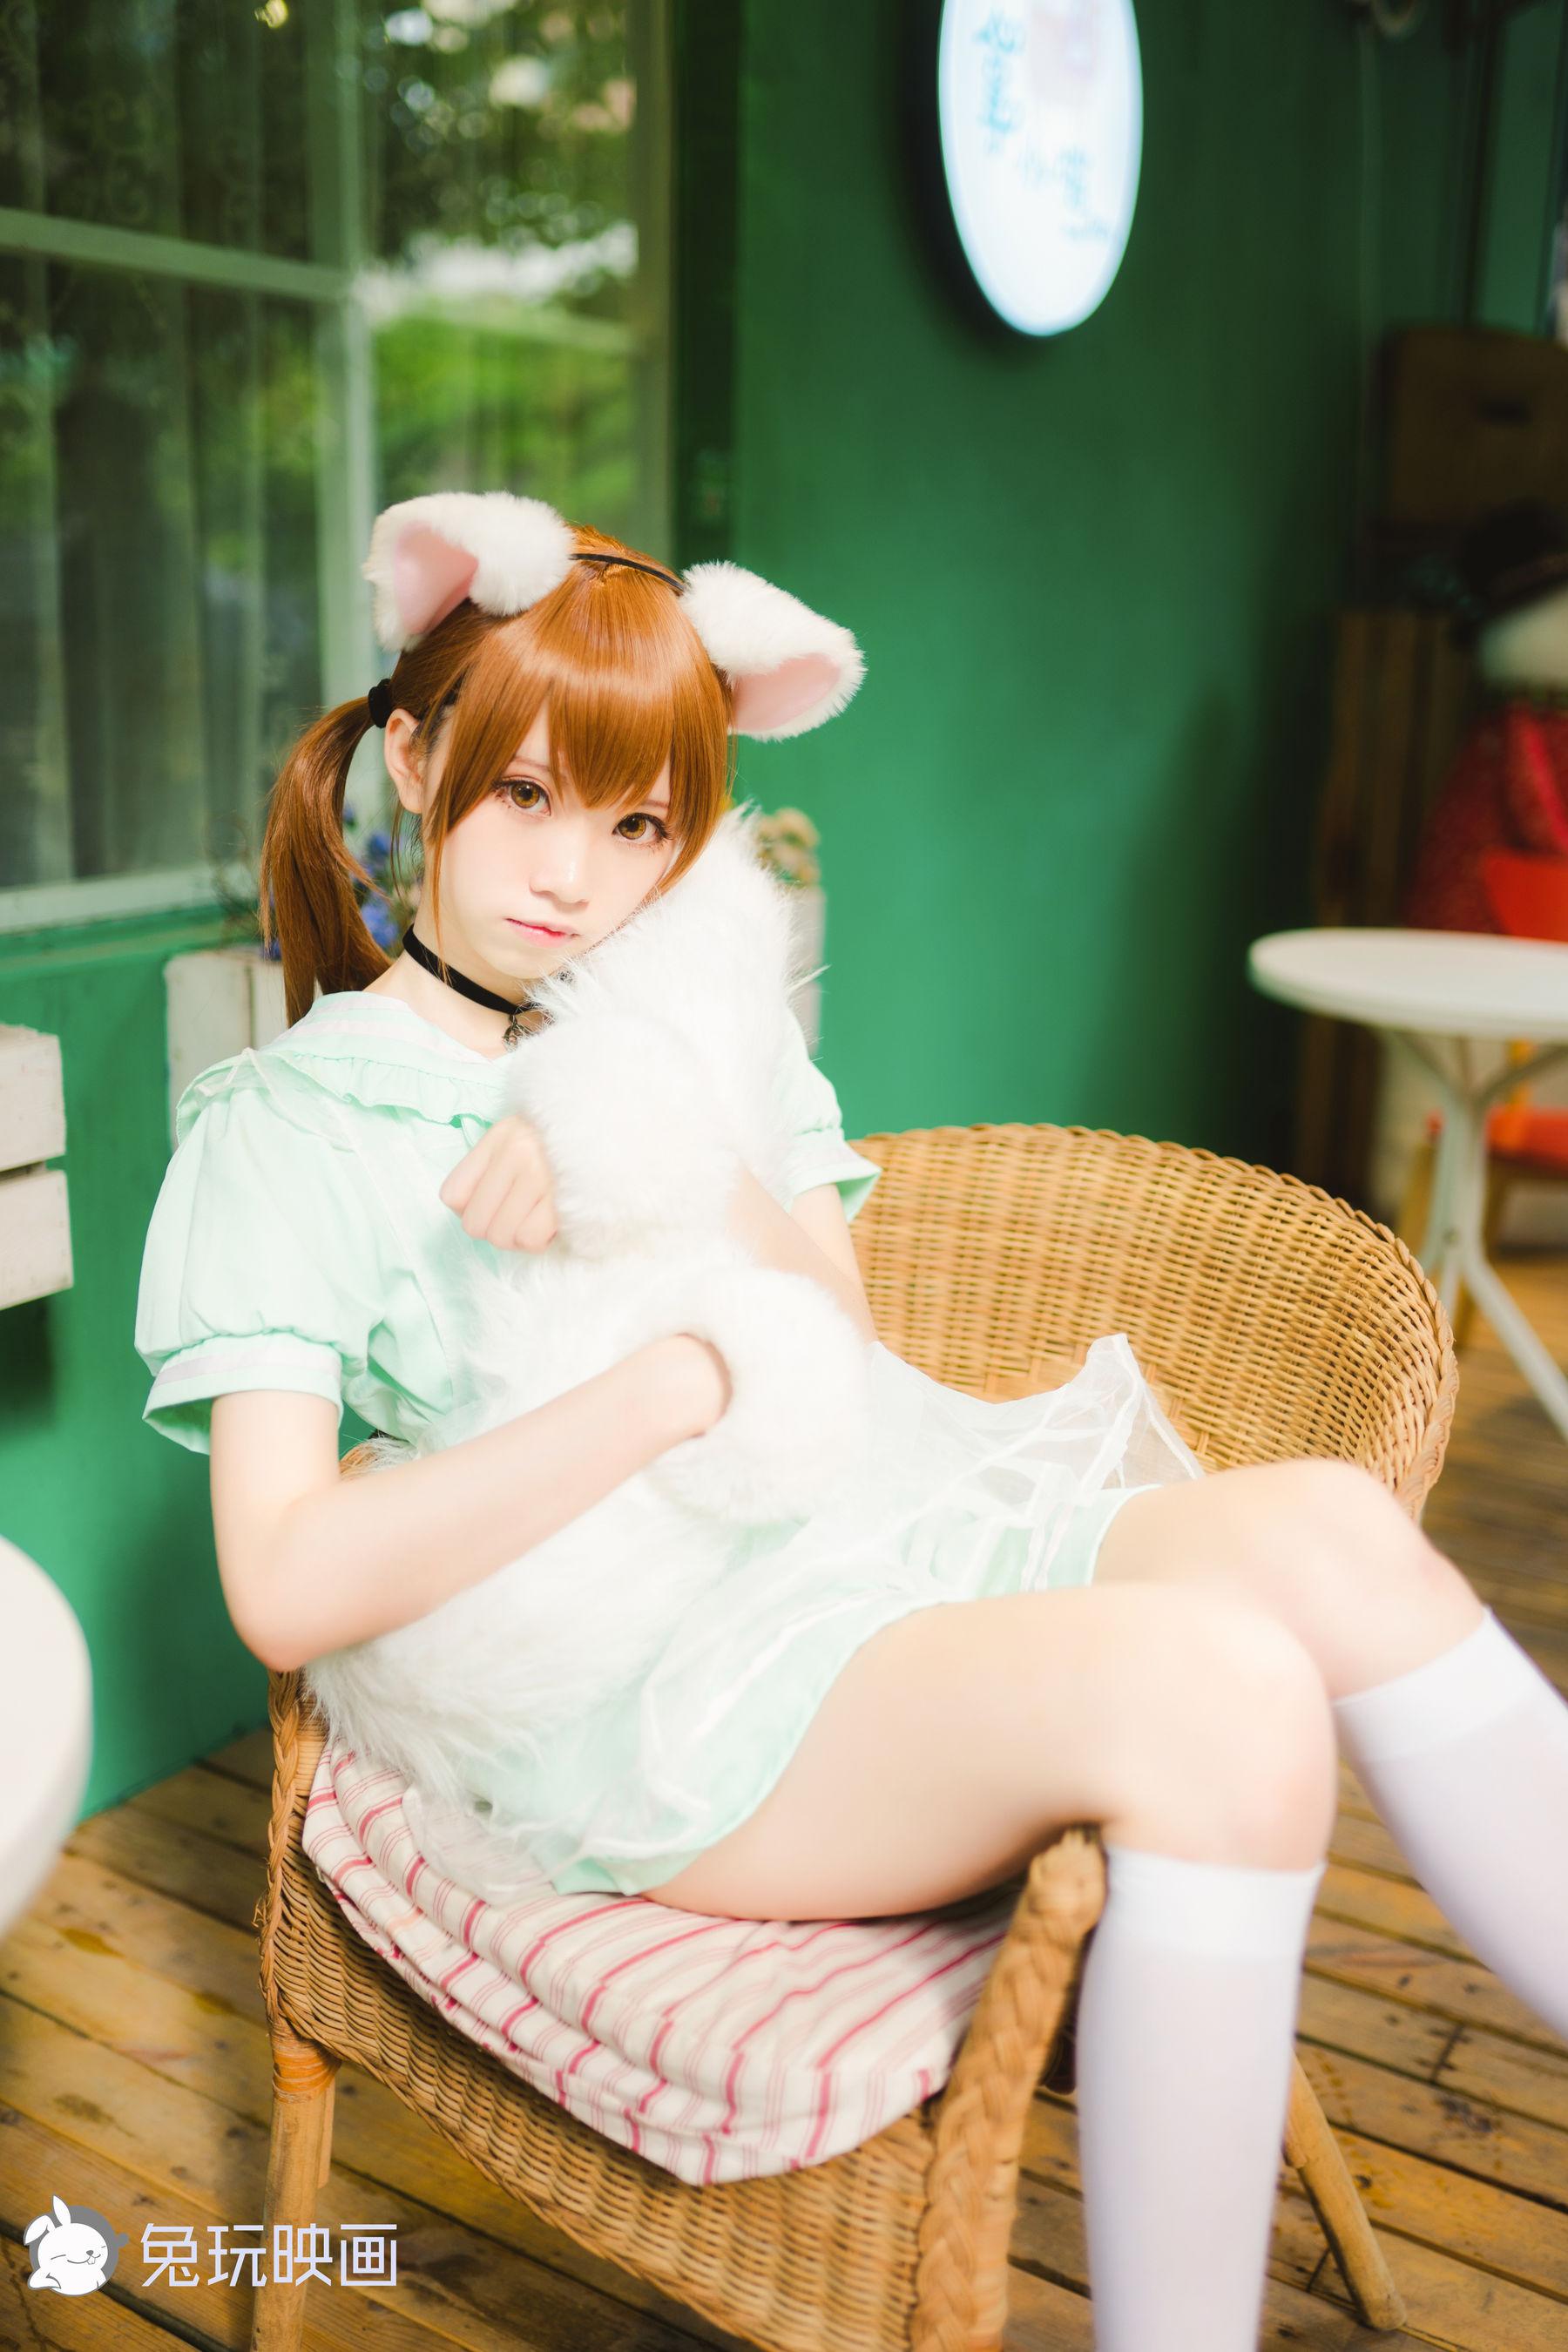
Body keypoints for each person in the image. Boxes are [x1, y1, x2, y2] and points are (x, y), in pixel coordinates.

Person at [135, 490, 1568, 2352]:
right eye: (526, 795)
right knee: (1222, 1693)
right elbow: (284, 1581)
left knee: (1332, 1535)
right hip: (640, 1682)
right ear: (414, 764)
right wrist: (672, 1385)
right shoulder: (293, 1129)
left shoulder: (678, 1023)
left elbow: (841, 1333)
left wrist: (646, 1147)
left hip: (854, 1529)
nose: (575, 875)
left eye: (639, 824)